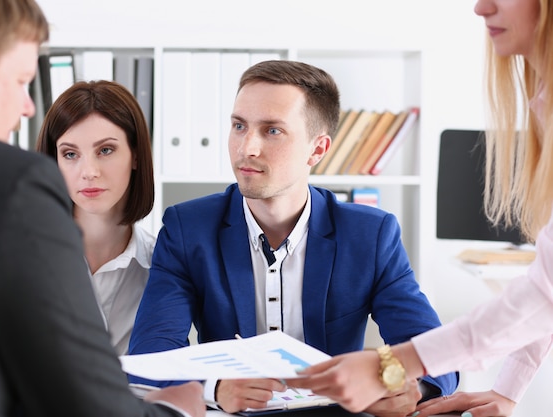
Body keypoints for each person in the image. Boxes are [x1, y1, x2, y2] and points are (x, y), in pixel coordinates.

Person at [128, 59, 458, 417]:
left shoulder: (370, 235)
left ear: (317, 150)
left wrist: (407, 387)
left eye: (272, 131)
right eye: (239, 126)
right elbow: (150, 356)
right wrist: (214, 387)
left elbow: (438, 355)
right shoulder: (187, 229)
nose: (246, 148)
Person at [0, 1, 205, 416]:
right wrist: (178, 411)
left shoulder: (168, 260)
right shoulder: (8, 190)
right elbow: (84, 399)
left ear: (135, 155)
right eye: (22, 81)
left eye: (106, 150)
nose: (26, 107)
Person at [288, 1, 553, 417]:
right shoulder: (544, 106)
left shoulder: (371, 233)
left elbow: (544, 295)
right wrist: (508, 390)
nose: (481, 7)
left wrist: (391, 366)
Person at [36, 80, 156, 356]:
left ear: (135, 154)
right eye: (70, 154)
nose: (89, 171)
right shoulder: (22, 256)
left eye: (105, 150)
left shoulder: (161, 265)